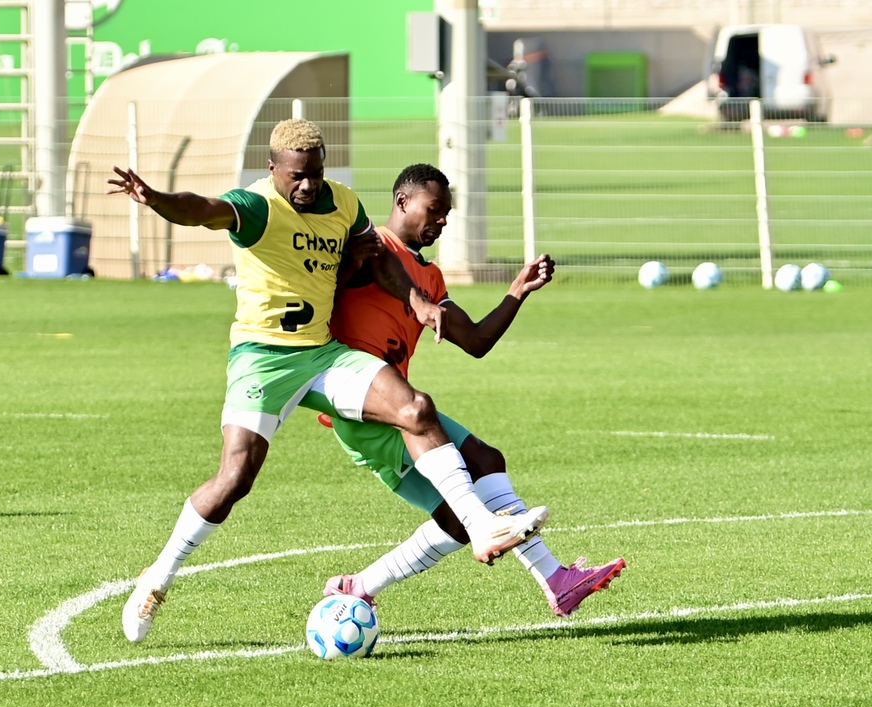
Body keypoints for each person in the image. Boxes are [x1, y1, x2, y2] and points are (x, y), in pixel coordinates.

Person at [107, 120, 548, 642]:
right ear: (272, 169)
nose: (307, 187)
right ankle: (157, 578)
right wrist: (154, 198)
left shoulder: (342, 203)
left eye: (315, 175)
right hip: (263, 359)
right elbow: (200, 209)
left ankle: (480, 527)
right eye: (297, 177)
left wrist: (420, 303)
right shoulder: (256, 207)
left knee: (416, 409)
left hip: (321, 354)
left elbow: (383, 262)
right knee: (235, 480)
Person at [318, 163, 624, 617]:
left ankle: (360, 585)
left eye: (447, 213)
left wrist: (517, 292)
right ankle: (556, 579)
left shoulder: (430, 276)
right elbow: (334, 283)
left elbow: (477, 341)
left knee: (479, 477)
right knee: (474, 484)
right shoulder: (372, 247)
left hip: (400, 403)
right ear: (402, 202)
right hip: (364, 409)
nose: (441, 220)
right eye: (434, 209)